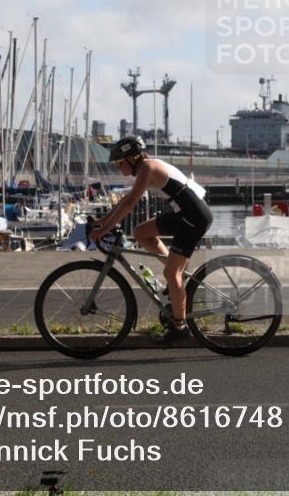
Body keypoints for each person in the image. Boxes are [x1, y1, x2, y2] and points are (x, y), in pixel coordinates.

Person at [91, 136, 213, 345]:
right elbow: (125, 201)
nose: (119, 167)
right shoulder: (145, 167)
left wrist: (105, 230)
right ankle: (176, 275)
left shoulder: (147, 168)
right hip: (184, 213)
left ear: (132, 158)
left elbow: (129, 204)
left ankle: (179, 327)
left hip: (194, 217)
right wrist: (103, 220)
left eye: (120, 162)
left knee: (171, 273)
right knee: (140, 233)